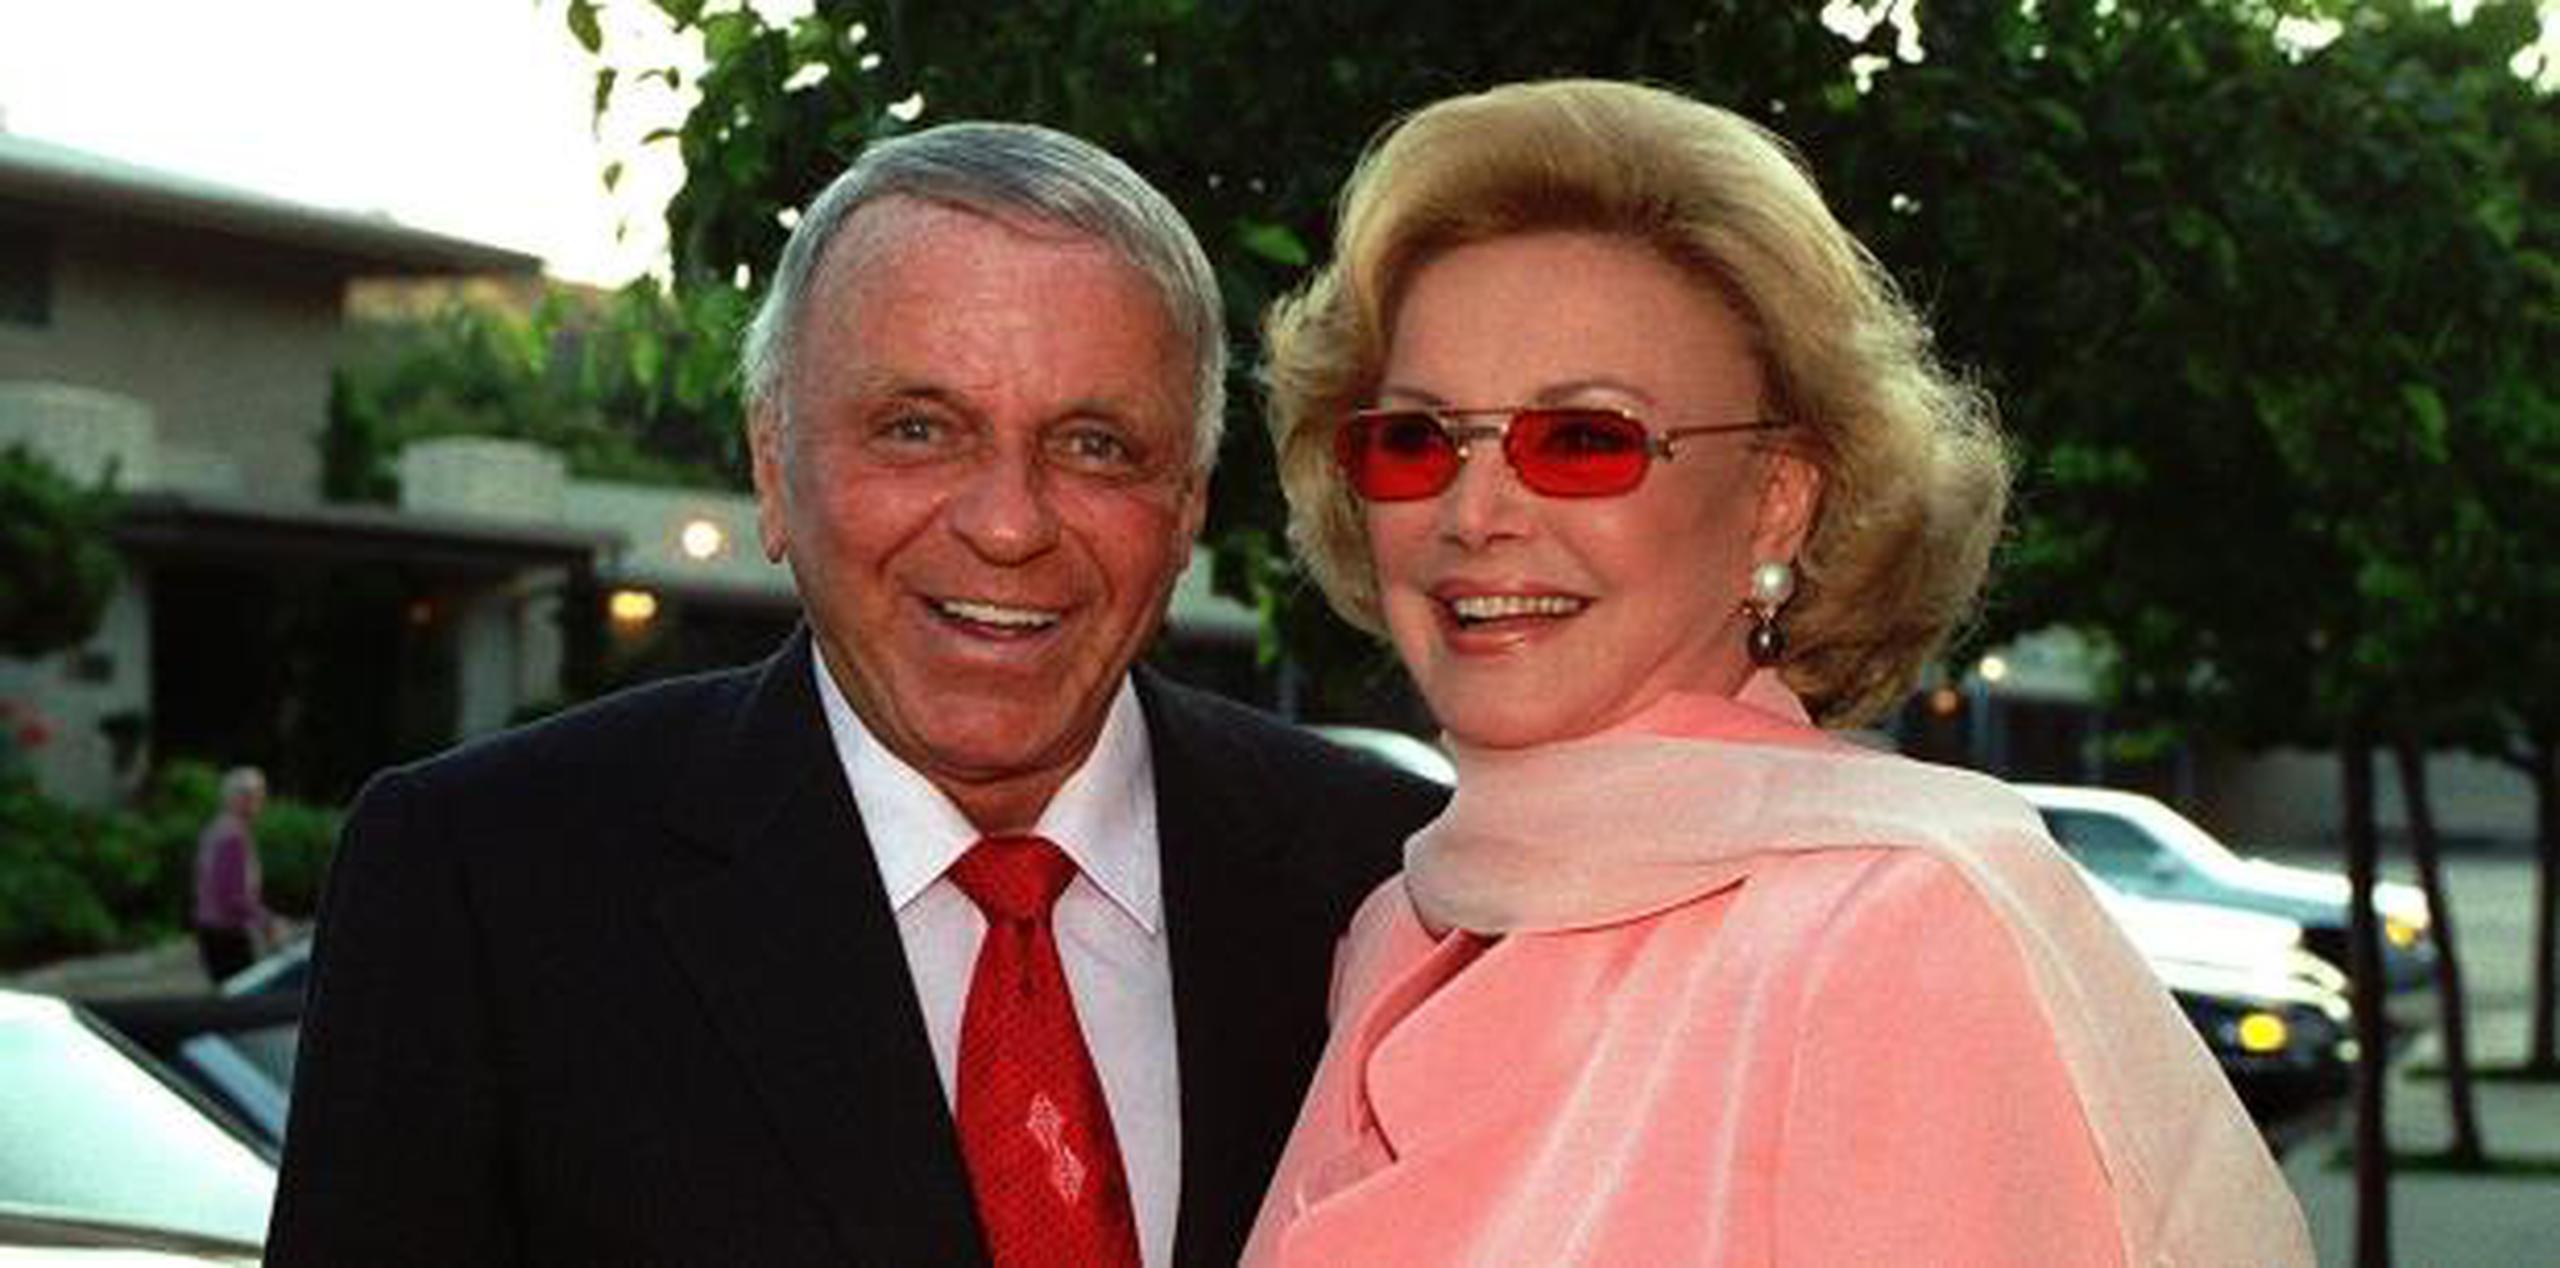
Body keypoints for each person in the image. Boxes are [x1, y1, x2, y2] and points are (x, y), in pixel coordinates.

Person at [266, 122, 1447, 1268]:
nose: (1006, 522)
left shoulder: (1385, 888)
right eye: (918, 428)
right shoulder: (487, 880)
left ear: (1186, 502)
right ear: (774, 469)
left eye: (1095, 445)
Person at [1241, 80, 2312, 1266]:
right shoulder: (1403, 930)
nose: (1473, 509)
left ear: (1775, 500)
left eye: (1584, 438)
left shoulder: (1895, 933)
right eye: (1414, 439)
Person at [190, 764, 273, 983]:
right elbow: (234, 896)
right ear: (240, 799)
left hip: (210, 929)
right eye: (256, 796)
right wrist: (267, 921)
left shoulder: (215, 829)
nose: (260, 803)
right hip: (227, 932)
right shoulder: (233, 837)